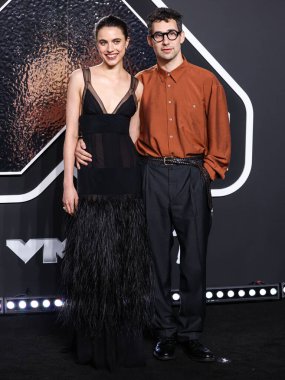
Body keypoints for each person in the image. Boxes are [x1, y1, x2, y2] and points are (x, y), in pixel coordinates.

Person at [75, 8, 231, 363]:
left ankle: (191, 333)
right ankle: (165, 332)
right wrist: (85, 141)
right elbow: (119, 125)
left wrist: (205, 173)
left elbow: (221, 140)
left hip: (193, 175)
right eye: (158, 35)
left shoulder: (207, 81)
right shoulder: (140, 82)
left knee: (193, 262)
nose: (165, 40)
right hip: (151, 175)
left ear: (182, 37)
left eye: (171, 33)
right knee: (156, 260)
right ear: (148, 40)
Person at [61, 15, 153, 370]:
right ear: (96, 44)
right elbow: (71, 135)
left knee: (124, 267)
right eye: (103, 42)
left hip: (128, 183)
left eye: (116, 41)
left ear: (128, 42)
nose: (110, 48)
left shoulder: (137, 86)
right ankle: (93, 347)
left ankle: (123, 345)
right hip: (93, 182)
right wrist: (69, 182)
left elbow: (133, 137)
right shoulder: (80, 78)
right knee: (93, 266)